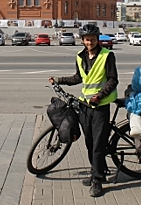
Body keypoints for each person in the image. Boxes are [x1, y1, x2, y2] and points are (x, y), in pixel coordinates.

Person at [49, 24, 118, 197]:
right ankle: (98, 170)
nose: (90, 42)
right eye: (87, 40)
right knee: (89, 142)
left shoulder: (107, 55)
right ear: (83, 40)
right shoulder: (80, 56)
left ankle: (97, 180)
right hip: (85, 106)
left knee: (98, 144)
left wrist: (100, 95)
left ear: (98, 39)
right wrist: (59, 80)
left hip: (101, 105)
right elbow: (78, 77)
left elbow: (113, 80)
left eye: (93, 39)